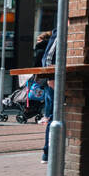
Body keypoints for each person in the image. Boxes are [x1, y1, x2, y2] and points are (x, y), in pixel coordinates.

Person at [39, 29, 56, 164]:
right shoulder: (60, 31)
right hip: (54, 83)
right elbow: (48, 57)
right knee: (53, 118)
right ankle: (47, 153)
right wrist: (51, 78)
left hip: (62, 81)